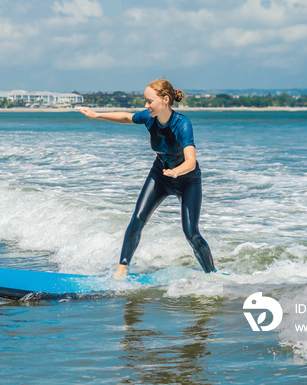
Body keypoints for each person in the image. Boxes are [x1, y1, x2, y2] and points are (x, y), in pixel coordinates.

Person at [77, 79, 215, 279]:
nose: (146, 105)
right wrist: (97, 114)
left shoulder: (182, 124)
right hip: (160, 175)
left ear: (165, 99)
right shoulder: (150, 117)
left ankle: (212, 274)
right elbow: (125, 116)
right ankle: (122, 270)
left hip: (187, 181)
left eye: (149, 101)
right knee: (138, 219)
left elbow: (191, 161)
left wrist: (177, 171)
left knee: (191, 233)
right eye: (146, 101)